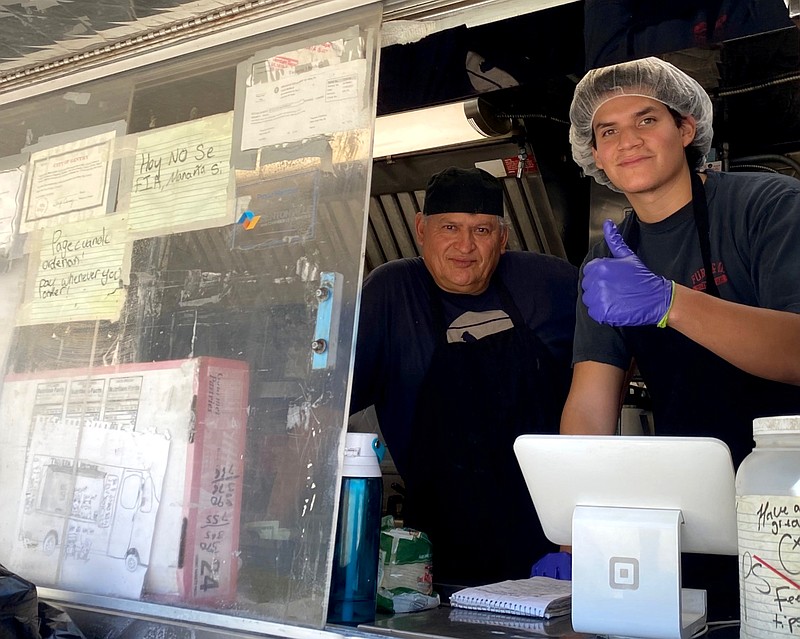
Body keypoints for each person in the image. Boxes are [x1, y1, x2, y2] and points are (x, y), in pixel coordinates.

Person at [560, 56, 800, 618]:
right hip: (692, 516)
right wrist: (574, 518)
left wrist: (669, 302)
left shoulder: (767, 206)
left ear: (687, 129)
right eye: (608, 131)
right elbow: (592, 401)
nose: (628, 142)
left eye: (647, 120)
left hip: (790, 496)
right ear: (594, 154)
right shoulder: (608, 258)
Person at [350, 166, 578, 588]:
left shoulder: (549, 284)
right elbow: (330, 405)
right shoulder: (394, 292)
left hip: (549, 547)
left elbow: (617, 357)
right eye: (450, 227)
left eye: (482, 230)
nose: (465, 246)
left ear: (503, 238)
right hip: (435, 559)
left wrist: (578, 533)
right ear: (421, 229)